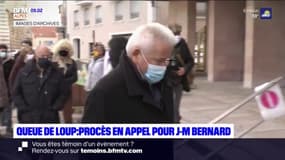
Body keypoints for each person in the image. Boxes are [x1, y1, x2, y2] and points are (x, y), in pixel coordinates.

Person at [82, 23, 176, 123]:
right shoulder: (104, 94)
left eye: (167, 60)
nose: (164, 67)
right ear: (136, 54)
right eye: (159, 61)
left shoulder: (164, 84)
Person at [12, 45, 68, 123]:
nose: (45, 58)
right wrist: (23, 108)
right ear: (35, 56)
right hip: (28, 118)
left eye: (47, 56)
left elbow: (64, 92)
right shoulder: (24, 72)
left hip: (50, 118)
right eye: (42, 56)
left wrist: (56, 107)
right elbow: (16, 92)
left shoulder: (57, 73)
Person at [168, 23, 195, 123]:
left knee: (174, 107)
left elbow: (190, 61)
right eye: (174, 33)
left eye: (177, 33)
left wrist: (184, 69)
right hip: (164, 81)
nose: (176, 35)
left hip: (177, 81)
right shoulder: (163, 44)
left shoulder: (182, 44)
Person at [53, 39, 78, 123]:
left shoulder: (72, 62)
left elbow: (75, 77)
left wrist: (65, 82)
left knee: (67, 113)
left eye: (66, 50)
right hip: (55, 91)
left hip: (67, 91)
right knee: (53, 112)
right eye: (62, 50)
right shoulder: (54, 63)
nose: (64, 52)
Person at [0, 44, 14, 136]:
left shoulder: (11, 62)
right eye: (1, 51)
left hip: (8, 92)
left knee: (7, 114)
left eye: (4, 51)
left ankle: (7, 131)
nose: (2, 53)